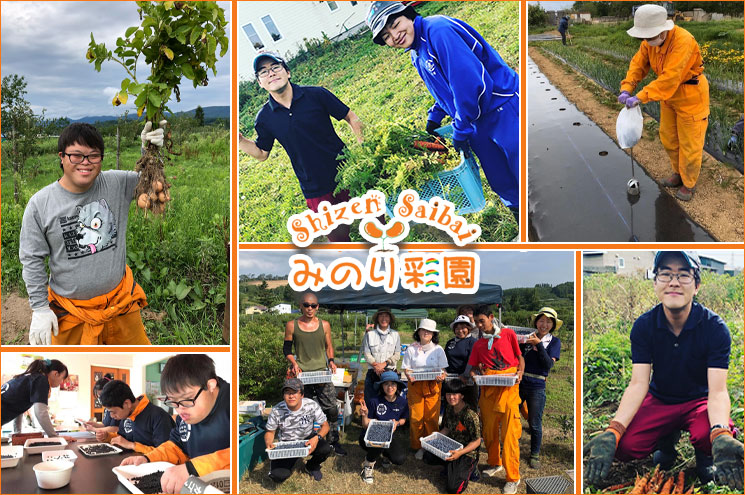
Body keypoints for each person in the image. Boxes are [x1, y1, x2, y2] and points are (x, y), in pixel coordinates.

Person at [584, 251, 743, 490]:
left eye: (683, 275)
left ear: (697, 285)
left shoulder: (715, 328)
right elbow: (638, 384)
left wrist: (719, 432)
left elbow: (718, 391)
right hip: (660, 399)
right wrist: (614, 430)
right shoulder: (644, 326)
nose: (674, 282)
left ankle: (705, 455)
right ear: (656, 282)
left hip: (699, 401)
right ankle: (665, 442)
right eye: (665, 274)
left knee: (711, 436)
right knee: (625, 445)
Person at [366, 2, 520, 223]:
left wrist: (460, 129)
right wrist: (434, 117)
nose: (395, 35)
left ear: (407, 15)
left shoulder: (438, 31)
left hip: (501, 109)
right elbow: (445, 88)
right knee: (501, 181)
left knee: (525, 174)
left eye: (394, 24)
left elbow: (470, 85)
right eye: (386, 36)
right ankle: (528, 230)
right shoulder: (416, 51)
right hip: (476, 122)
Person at [19, 122, 165, 345]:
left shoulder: (116, 183)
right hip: (71, 313)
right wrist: (39, 307)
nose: (85, 163)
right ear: (62, 156)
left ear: (101, 159)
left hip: (120, 304)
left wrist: (149, 150)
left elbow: (149, 182)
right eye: (76, 156)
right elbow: (32, 259)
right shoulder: (40, 204)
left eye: (93, 156)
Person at [239, 52, 364, 242]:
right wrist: (239, 141)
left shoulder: (316, 95)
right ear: (260, 83)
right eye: (263, 72)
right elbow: (262, 153)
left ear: (287, 72)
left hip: (347, 172)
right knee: (339, 239)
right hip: (314, 187)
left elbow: (351, 117)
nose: (271, 73)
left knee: (372, 223)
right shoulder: (264, 118)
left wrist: (364, 148)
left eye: (275, 67)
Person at [617, 4, 709, 201]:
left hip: (690, 94)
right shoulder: (649, 43)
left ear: (663, 30)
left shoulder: (683, 41)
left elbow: (670, 78)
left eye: (649, 37)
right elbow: (637, 65)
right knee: (669, 137)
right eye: (644, 37)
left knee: (690, 142)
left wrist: (640, 96)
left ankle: (689, 183)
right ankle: (678, 173)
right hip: (668, 96)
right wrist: (627, 88)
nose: (646, 41)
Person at [120, 354, 229, 494]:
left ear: (210, 386)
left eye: (186, 399)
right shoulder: (184, 415)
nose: (180, 409)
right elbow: (176, 446)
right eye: (173, 402)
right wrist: (148, 458)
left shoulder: (231, 405)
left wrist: (191, 468)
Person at [469, 305, 524, 494]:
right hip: (488, 392)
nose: (479, 325)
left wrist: (521, 372)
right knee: (489, 432)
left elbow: (519, 358)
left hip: (509, 391)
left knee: (509, 436)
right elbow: (473, 368)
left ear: (491, 317)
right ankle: (494, 463)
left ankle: (513, 477)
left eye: (481, 321)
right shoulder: (478, 344)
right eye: (476, 322)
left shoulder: (508, 335)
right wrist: (476, 375)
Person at [284, 292, 345, 455]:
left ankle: (333, 440)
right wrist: (294, 363)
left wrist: (331, 360)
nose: (309, 309)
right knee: (305, 410)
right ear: (300, 306)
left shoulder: (324, 325)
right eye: (306, 305)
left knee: (331, 408)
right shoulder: (292, 325)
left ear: (317, 307)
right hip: (302, 374)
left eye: (313, 305)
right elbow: (287, 349)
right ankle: (309, 441)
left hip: (321, 373)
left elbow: (329, 346)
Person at [264, 378, 332, 483]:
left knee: (325, 449)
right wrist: (269, 442)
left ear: (302, 395)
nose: (291, 396)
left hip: (307, 438)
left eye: (295, 392)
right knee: (278, 476)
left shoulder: (311, 405)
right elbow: (270, 431)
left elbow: (325, 426)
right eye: (287, 392)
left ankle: (311, 466)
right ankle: (288, 461)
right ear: (283, 395)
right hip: (287, 443)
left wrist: (317, 438)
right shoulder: (277, 410)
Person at [519, 307, 562, 469]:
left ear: (552, 325)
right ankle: (510, 445)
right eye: (541, 321)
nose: (544, 324)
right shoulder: (527, 338)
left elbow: (548, 364)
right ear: (536, 322)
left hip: (537, 385)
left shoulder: (554, 342)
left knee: (534, 422)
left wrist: (539, 346)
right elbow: (518, 356)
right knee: (511, 414)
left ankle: (534, 454)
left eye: (548, 322)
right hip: (521, 382)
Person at [423, 380, 482, 494]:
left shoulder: (470, 415)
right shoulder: (449, 408)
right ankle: (451, 466)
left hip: (466, 452)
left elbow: (477, 441)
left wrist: (460, 453)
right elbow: (447, 428)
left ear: (462, 396)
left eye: (455, 394)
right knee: (428, 457)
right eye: (448, 394)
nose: (451, 397)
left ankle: (472, 470)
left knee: (453, 489)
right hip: (451, 446)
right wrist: (434, 437)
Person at [402, 318, 448, 460]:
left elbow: (443, 371)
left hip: (433, 386)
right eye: (423, 330)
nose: (426, 333)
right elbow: (406, 369)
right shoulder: (411, 349)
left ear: (433, 334)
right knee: (416, 417)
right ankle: (417, 446)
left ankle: (431, 446)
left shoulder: (438, 349)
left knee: (431, 418)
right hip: (415, 386)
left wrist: (441, 376)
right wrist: (409, 376)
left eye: (429, 331)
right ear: (419, 332)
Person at [1, 358, 75, 441]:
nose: (61, 382)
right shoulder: (41, 380)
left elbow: (19, 408)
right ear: (56, 374)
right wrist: (55, 437)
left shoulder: (30, 377)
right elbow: (40, 412)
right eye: (62, 378)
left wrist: (17, 434)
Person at [97, 379, 175, 453]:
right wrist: (107, 436)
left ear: (127, 404)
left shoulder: (158, 416)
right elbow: (122, 436)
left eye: (113, 412)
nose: (111, 416)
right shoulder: (127, 414)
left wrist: (132, 445)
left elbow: (165, 453)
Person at [358, 370, 409, 484]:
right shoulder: (374, 401)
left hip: (388, 437)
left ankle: (385, 454)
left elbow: (403, 419)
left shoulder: (402, 402)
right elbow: (365, 425)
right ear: (381, 386)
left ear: (397, 386)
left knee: (399, 459)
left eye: (393, 384)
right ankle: (368, 465)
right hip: (368, 436)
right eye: (386, 384)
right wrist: (365, 415)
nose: (390, 387)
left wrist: (397, 423)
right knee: (378, 442)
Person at [361, 308, 401, 410]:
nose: (384, 318)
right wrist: (375, 365)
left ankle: (389, 422)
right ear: (377, 318)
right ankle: (370, 422)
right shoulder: (370, 334)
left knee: (389, 399)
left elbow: (397, 355)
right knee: (371, 399)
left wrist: (384, 364)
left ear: (390, 319)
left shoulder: (395, 334)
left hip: (389, 372)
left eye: (386, 316)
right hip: (373, 371)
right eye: (381, 316)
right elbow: (366, 353)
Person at [444, 315, 478, 410]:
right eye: (457, 328)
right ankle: (451, 425)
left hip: (467, 380)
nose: (460, 331)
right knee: (451, 406)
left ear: (469, 328)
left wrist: (465, 375)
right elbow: (445, 359)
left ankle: (470, 425)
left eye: (463, 328)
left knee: (469, 406)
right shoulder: (450, 342)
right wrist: (444, 372)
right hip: (452, 379)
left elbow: (472, 360)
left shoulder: (473, 342)